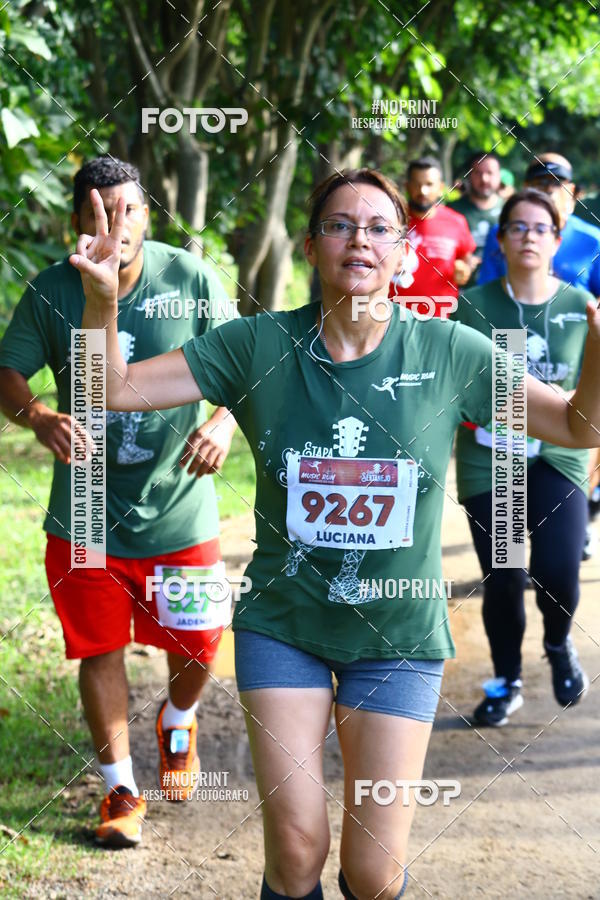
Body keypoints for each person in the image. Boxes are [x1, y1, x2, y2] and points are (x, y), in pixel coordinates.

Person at [75, 169, 600, 899]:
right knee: (295, 850)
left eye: (380, 227)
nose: (360, 239)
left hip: (398, 632)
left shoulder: (450, 352)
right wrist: (102, 306)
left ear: (404, 250)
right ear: (311, 244)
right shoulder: (256, 346)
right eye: (340, 224)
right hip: (283, 622)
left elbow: (580, 424)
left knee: (373, 873)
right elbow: (111, 388)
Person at [0, 157, 237, 848]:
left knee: (199, 643)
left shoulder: (189, 278)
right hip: (85, 507)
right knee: (98, 648)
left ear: (147, 216)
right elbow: (7, 371)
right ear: (77, 220)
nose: (115, 224)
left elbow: (243, 364)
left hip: (178, 501)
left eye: (128, 209)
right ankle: (120, 792)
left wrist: (220, 422)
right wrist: (40, 416)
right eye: (99, 211)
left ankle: (176, 719)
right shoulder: (49, 293)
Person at [454, 188, 592, 726]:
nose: (529, 236)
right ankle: (506, 680)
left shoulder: (582, 309)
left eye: (540, 228)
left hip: (558, 455)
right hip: (495, 460)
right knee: (506, 576)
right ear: (502, 240)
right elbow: (449, 382)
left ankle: (557, 645)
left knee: (558, 570)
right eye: (517, 227)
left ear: (557, 241)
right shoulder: (474, 306)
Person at [477, 153, 600, 295]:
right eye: (540, 182)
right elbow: (486, 292)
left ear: (571, 191)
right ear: (525, 188)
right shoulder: (502, 233)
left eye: (557, 183)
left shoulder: (594, 240)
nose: (549, 190)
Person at [389, 156, 476, 316]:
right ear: (407, 186)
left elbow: (467, 257)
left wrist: (465, 269)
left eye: (429, 184)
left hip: (441, 320)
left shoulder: (456, 221)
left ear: (441, 187)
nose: (423, 191)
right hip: (393, 318)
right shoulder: (390, 219)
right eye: (417, 184)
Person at [448, 150, 503, 286]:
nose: (484, 179)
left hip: (501, 288)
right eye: (478, 173)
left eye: (490, 173)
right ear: (469, 176)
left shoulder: (511, 210)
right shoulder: (452, 210)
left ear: (499, 176)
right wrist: (458, 262)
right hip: (461, 290)